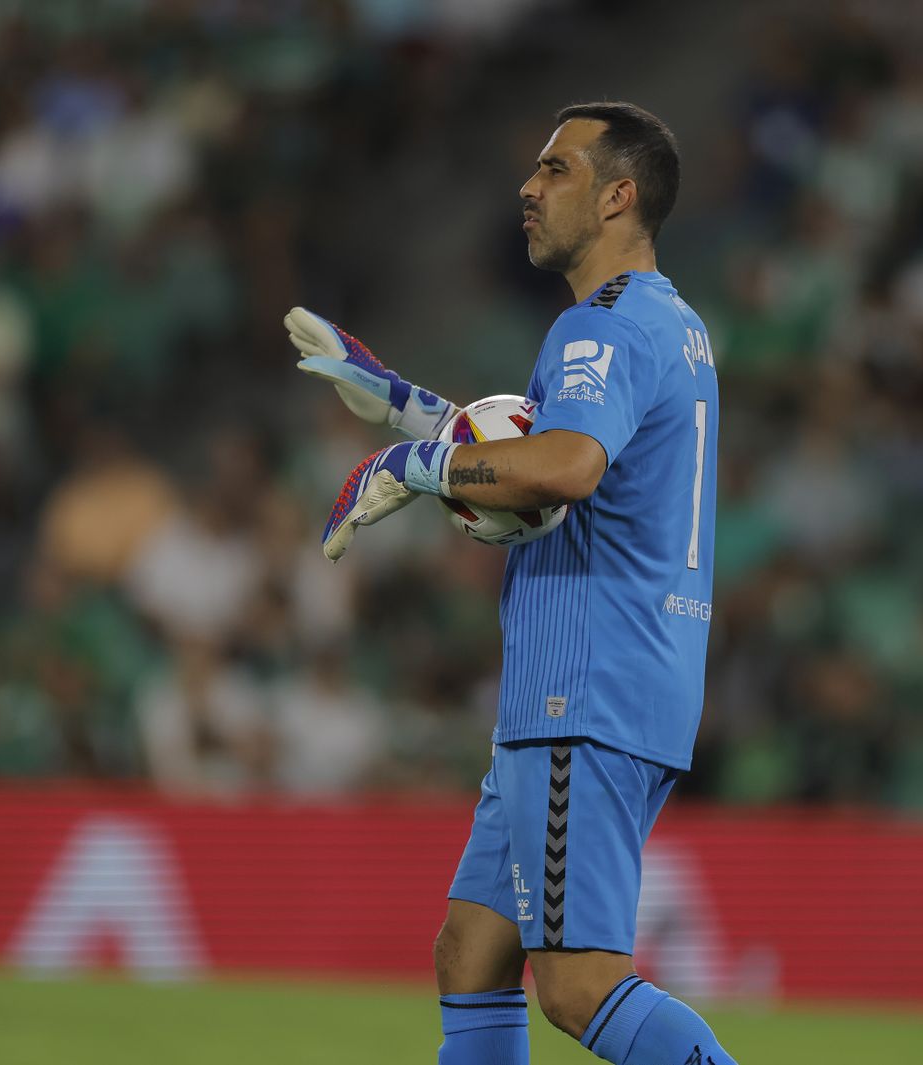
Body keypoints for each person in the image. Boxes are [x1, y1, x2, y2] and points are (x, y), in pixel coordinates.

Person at [295, 102, 730, 1064]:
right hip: (606, 677)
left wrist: (413, 470)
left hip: (587, 680)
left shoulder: (601, 326)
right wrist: (411, 411)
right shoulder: (667, 321)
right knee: (473, 952)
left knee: (576, 985)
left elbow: (564, 468)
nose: (528, 189)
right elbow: (536, 469)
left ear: (619, 196)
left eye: (557, 169)